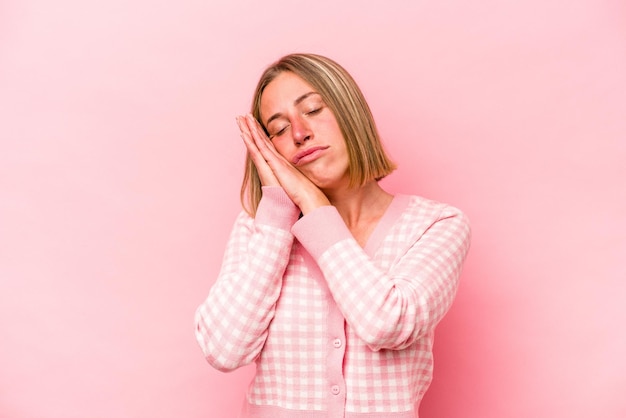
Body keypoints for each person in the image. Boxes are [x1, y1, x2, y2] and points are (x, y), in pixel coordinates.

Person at [195, 53, 471, 418]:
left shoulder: (436, 224)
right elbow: (224, 349)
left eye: (312, 110)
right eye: (277, 129)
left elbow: (386, 324)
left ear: (350, 112)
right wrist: (278, 213)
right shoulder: (257, 230)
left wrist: (312, 203)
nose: (298, 133)